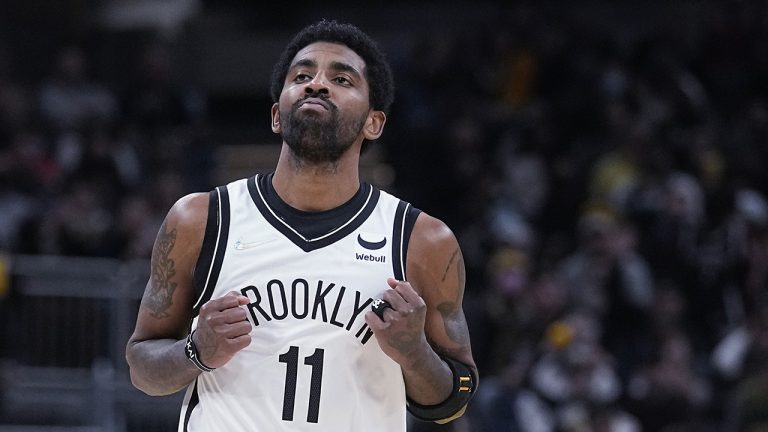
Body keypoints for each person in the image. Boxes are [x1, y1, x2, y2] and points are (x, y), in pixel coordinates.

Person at [125, 19, 478, 432]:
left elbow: (457, 399)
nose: (317, 85)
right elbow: (141, 367)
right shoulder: (201, 220)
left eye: (342, 78)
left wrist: (414, 353)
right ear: (277, 114)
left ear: (374, 123)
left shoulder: (422, 241)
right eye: (302, 75)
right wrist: (196, 350)